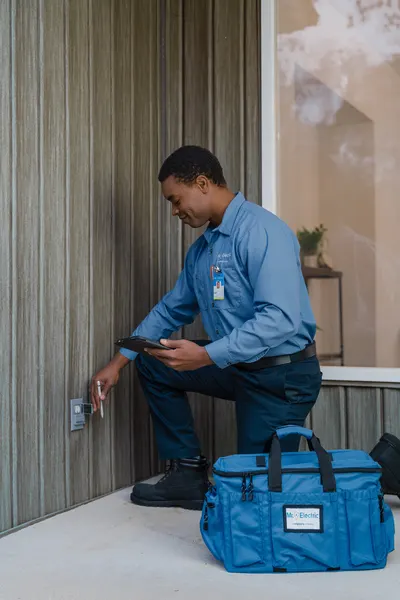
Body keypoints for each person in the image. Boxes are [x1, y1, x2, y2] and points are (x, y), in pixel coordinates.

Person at [91, 145, 322, 510]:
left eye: (176, 199)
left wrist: (206, 355)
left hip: (282, 376)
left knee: (255, 497)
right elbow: (171, 309)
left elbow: (280, 318)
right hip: (238, 366)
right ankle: (186, 474)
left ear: (201, 183)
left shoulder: (262, 232)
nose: (174, 211)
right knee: (153, 360)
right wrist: (118, 362)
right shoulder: (202, 252)